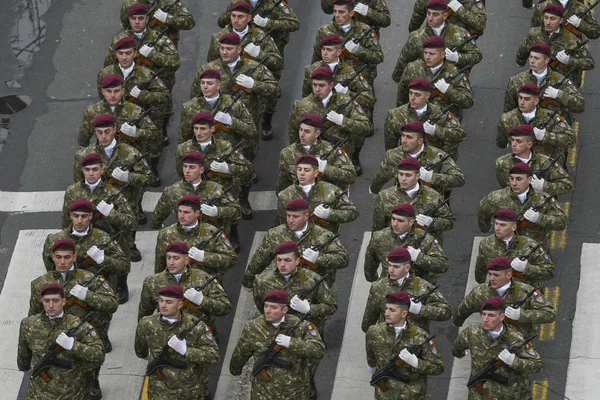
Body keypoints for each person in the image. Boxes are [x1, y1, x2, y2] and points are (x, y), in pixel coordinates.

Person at [29, 239, 118, 398]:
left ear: (75, 256)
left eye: (67, 257)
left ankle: (92, 381)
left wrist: (88, 296)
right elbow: (34, 314)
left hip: (82, 331)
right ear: (52, 257)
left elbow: (112, 304)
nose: (62, 261)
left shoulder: (89, 278)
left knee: (88, 364)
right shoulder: (39, 284)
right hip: (53, 332)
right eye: (58, 257)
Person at [74, 113, 151, 273]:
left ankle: (127, 256)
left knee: (124, 247)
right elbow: (79, 183)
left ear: (115, 130)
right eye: (99, 132)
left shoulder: (130, 153)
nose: (103, 136)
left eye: (107, 131)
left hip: (125, 203)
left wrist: (129, 177)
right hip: (94, 210)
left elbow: (148, 177)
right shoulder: (83, 156)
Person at [97, 37, 171, 185]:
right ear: (115, 54)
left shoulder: (146, 74)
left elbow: (165, 96)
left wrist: (144, 96)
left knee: (150, 147)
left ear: (135, 54)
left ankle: (151, 169)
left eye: (128, 53)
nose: (124, 57)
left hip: (143, 115)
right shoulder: (105, 73)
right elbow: (101, 94)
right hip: (113, 118)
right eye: (121, 53)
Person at [229, 290, 326, 400]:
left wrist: (291, 343)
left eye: (273, 307)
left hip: (294, 391)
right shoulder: (253, 327)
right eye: (266, 306)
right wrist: (235, 369)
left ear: (284, 310)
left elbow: (319, 351)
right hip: (263, 391)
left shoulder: (301, 326)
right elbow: (241, 353)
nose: (268, 311)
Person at [63, 152, 138, 294]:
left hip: (110, 238)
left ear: (102, 170)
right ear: (82, 170)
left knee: (115, 267)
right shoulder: (72, 192)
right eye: (87, 170)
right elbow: (66, 219)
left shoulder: (113, 193)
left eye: (95, 169)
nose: (91, 174)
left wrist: (112, 214)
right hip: (82, 237)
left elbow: (132, 223)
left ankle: (120, 285)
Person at [18, 284, 105, 400]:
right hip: (38, 394)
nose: (51, 305)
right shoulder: (28, 324)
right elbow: (23, 360)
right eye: (47, 301)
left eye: (55, 301)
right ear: (41, 301)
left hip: (71, 393)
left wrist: (73, 346)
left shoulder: (79, 326)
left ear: (64, 301)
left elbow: (99, 355)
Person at [135, 285, 220, 400]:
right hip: (159, 392)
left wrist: (186, 351)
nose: (163, 305)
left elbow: (214, 356)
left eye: (169, 302)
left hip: (189, 391)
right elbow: (140, 351)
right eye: (161, 301)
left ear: (180, 304)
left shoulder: (197, 326)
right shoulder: (147, 324)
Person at [243, 199, 349, 288]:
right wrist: (248, 280)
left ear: (306, 216)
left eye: (295, 216)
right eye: (288, 216)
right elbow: (260, 259)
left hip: (315, 287)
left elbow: (343, 259)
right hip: (284, 286)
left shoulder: (324, 235)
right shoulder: (275, 234)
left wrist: (319, 258)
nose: (290, 220)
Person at [452, 297, 544, 399]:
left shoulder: (516, 339)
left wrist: (514, 361)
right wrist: (460, 354)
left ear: (501, 317)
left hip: (511, 395)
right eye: (483, 314)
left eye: (491, 315)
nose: (485, 319)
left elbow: (537, 365)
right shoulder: (471, 333)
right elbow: (457, 347)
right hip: (480, 395)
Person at [288, 66, 371, 174]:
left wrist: (343, 121)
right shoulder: (301, 106)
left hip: (340, 156)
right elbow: (294, 134)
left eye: (321, 85)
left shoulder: (346, 101)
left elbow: (366, 127)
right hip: (312, 159)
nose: (317, 89)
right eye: (314, 85)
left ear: (331, 85)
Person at [189, 32, 281, 129]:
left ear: (238, 49)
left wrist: (254, 84)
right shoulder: (207, 69)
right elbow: (195, 97)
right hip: (215, 127)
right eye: (222, 48)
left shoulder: (255, 67)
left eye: (229, 49)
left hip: (246, 125)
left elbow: (276, 91)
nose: (224, 52)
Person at [365, 291, 444, 400]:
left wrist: (416, 363)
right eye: (387, 308)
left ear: (404, 313)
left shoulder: (420, 336)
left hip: (411, 395)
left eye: (392, 310)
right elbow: (371, 355)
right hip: (384, 395)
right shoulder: (374, 332)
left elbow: (438, 367)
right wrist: (373, 368)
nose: (386, 313)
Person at [151, 152, 242, 245]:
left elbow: (237, 211)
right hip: (186, 241)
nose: (187, 171)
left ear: (201, 170)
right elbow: (158, 216)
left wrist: (218, 211)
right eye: (185, 166)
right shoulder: (172, 191)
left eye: (192, 167)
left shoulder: (216, 189)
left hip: (214, 240)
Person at [176, 112, 254, 220]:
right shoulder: (183, 149)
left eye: (203, 129)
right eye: (196, 128)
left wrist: (228, 169)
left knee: (229, 220)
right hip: (197, 193)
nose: (198, 133)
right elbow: (181, 172)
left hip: (223, 192)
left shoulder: (224, 146)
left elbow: (248, 169)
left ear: (212, 129)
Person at [453, 257, 556, 339]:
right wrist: (457, 323)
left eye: (496, 275)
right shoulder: (479, 293)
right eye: (490, 274)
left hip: (520, 340)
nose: (492, 279)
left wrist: (522, 315)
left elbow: (550, 314)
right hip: (491, 339)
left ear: (509, 275)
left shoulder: (526, 291)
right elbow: (464, 309)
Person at [139, 241, 232, 332]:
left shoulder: (203, 278)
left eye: (176, 258)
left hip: (199, 333)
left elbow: (226, 307)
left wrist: (202, 300)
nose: (171, 263)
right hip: (166, 334)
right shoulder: (152, 282)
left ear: (186, 260)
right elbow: (144, 313)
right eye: (168, 258)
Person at [253, 241, 337, 334]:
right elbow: (261, 305)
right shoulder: (262, 281)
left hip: (307, 332)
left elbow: (331, 306)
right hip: (277, 332)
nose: (282, 264)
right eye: (279, 260)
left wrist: (309, 309)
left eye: (287, 260)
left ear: (297, 261)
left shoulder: (313, 279)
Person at [44, 199, 129, 291]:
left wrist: (103, 259)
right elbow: (50, 266)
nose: (79, 221)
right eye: (76, 216)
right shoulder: (54, 240)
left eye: (84, 216)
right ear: (71, 216)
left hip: (97, 290)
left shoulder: (103, 238)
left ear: (90, 216)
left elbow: (124, 266)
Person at [362, 248, 451, 334]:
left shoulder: (423, 287)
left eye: (396, 267)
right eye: (389, 265)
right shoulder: (378, 287)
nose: (391, 270)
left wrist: (421, 309)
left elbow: (446, 312)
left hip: (414, 339)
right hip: (387, 338)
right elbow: (370, 316)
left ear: (407, 267)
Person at [477, 162, 568, 246]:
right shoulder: (496, 198)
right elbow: (483, 211)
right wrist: (486, 228)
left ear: (529, 179)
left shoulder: (543, 198)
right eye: (512, 178)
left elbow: (562, 222)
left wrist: (539, 218)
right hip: (505, 248)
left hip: (535, 249)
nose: (514, 183)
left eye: (519, 179)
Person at [393, 0, 482, 82]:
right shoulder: (418, 37)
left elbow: (480, 24)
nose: (430, 17)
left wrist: (456, 57)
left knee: (460, 69)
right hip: (426, 83)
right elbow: (418, 15)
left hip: (458, 41)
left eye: (435, 14)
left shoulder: (459, 33)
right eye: (429, 14)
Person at [370, 121, 465, 197]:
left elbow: (459, 179)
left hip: (430, 201)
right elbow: (382, 175)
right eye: (403, 135)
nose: (403, 140)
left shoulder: (438, 156)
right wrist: (374, 190)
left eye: (409, 137)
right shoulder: (394, 155)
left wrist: (432, 177)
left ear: (420, 141)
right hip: (402, 201)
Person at [154, 194, 238, 279]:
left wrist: (204, 257)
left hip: (206, 285)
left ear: (197, 213)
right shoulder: (165, 234)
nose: (181, 216)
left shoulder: (212, 232)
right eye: (180, 211)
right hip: (175, 285)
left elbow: (231, 259)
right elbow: (160, 265)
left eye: (186, 212)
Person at [365, 203, 449, 284]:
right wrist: (372, 278)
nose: (395, 224)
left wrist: (418, 257)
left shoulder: (425, 239)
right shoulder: (379, 237)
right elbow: (371, 260)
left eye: (400, 221)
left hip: (417, 289)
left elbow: (443, 265)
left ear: (411, 222)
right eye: (393, 219)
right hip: (389, 288)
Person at [106, 3, 181, 92]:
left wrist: (153, 54)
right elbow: (109, 66)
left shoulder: (161, 40)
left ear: (147, 19)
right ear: (129, 19)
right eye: (133, 18)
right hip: (128, 91)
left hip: (156, 89)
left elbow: (175, 64)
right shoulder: (118, 40)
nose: (137, 22)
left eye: (141, 18)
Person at [516, 4, 595, 87]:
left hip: (564, 82)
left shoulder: (572, 41)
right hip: (540, 79)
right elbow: (524, 47)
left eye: (552, 19)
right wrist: (520, 61)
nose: (548, 22)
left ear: (561, 20)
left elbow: (590, 63)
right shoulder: (534, 33)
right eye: (546, 18)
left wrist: (569, 60)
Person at [372, 157, 455, 236]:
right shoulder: (384, 196)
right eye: (401, 174)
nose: (403, 179)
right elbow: (378, 228)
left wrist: (433, 222)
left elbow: (450, 222)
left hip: (425, 246)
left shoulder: (433, 196)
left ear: (418, 176)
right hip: (395, 245)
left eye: (408, 175)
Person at [384, 78, 466, 158]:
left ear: (427, 96)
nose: (412, 98)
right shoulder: (395, 115)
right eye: (410, 93)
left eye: (417, 95)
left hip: (433, 159)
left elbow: (460, 134)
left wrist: (436, 130)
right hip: (408, 161)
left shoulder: (439, 113)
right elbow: (391, 145)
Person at [503, 43, 585, 123]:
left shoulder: (561, 81)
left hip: (554, 128)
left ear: (547, 60)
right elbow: (509, 112)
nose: (531, 61)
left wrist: (558, 94)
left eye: (536, 58)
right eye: (530, 57)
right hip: (525, 129)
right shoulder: (516, 81)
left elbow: (580, 106)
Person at [277, 154, 359, 233]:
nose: (302, 173)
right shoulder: (285, 195)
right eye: (299, 169)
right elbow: (284, 224)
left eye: (307, 170)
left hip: (326, 242)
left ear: (316, 173)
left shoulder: (331, 190)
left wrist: (330, 214)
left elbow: (352, 212)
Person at [497, 83, 576, 164]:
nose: (522, 102)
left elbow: (571, 139)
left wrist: (546, 136)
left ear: (536, 101)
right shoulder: (506, 119)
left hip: (547, 165)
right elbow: (501, 142)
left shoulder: (551, 118)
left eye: (527, 99)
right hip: (520, 167)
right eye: (520, 98)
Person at [277, 113, 356, 194]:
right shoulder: (287, 153)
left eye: (307, 131)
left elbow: (351, 176)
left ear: (317, 133)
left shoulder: (331, 150)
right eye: (301, 130)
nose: (302, 135)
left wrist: (326, 169)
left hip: (326, 199)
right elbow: (284, 182)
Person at [475, 209, 554, 289]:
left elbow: (549, 271)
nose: (497, 228)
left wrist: (526, 268)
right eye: (496, 224)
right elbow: (481, 265)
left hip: (526, 294)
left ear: (514, 227)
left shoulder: (530, 245)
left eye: (502, 225)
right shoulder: (485, 244)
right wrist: (480, 281)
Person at [312, 0, 384, 86]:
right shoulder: (324, 31)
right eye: (335, 11)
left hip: (360, 78)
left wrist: (358, 50)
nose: (337, 15)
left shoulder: (365, 30)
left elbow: (378, 57)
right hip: (333, 82)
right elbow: (317, 56)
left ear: (351, 13)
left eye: (341, 12)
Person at [397, 36, 474, 117]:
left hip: (442, 119)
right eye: (425, 53)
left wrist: (448, 90)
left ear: (443, 54)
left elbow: (468, 102)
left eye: (432, 54)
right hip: (416, 116)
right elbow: (403, 91)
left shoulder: (454, 73)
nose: (427, 57)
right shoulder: (413, 68)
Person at [207, 2, 283, 78]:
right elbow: (212, 66)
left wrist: (260, 54)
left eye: (240, 17)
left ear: (249, 18)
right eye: (233, 16)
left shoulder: (260, 36)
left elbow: (278, 65)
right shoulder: (218, 37)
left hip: (253, 81)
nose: (235, 20)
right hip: (227, 84)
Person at [495, 125, 573, 196]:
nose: (513, 144)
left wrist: (544, 186)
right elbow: (508, 190)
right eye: (512, 140)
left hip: (542, 205)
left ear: (529, 144)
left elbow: (567, 184)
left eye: (519, 141)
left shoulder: (546, 162)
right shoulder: (502, 163)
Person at [119, 0, 195, 48]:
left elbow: (189, 22)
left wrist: (167, 18)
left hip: (165, 51)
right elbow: (127, 25)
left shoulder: (171, 2)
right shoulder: (130, 3)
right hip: (139, 52)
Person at [409, 0, 487, 36]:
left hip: (461, 41)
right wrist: (415, 36)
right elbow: (417, 17)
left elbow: (480, 24)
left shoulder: (470, 1)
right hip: (434, 36)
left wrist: (459, 9)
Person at [531, 0, 600, 40]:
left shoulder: (580, 8)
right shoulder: (543, 7)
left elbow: (596, 32)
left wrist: (580, 24)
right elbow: (534, 31)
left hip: (573, 49)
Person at [321, 0, 391, 36]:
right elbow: (327, 9)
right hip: (341, 36)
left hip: (365, 38)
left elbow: (386, 20)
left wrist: (368, 12)